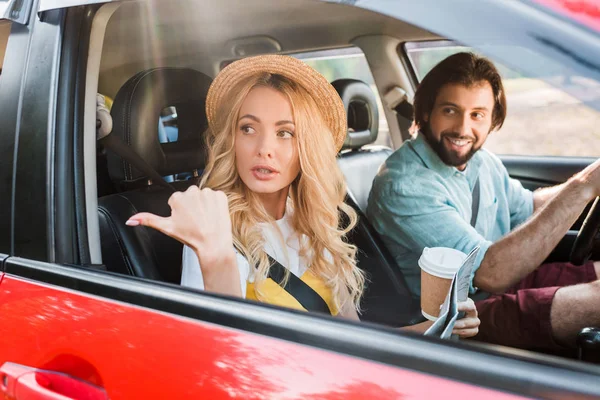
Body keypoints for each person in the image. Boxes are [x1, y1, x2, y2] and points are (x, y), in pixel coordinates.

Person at [125, 54, 479, 336]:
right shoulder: (214, 229)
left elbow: (351, 341)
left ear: (307, 147)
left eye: (285, 133)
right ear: (231, 139)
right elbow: (223, 356)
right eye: (248, 128)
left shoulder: (314, 218)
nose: (264, 149)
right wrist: (215, 254)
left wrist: (437, 329)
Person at [367, 52, 600, 350]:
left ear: (492, 120)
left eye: (477, 114)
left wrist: (590, 185)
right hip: (458, 319)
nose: (463, 129)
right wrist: (582, 187)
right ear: (426, 112)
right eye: (450, 111)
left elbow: (527, 207)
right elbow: (491, 274)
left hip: (501, 287)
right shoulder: (404, 185)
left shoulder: (482, 162)